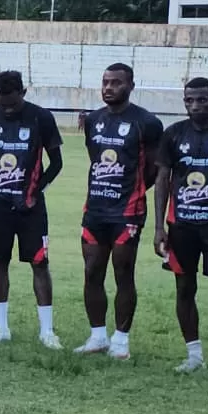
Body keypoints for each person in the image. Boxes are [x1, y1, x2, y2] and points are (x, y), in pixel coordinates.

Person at [77, 63, 163, 360]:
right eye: (105, 82)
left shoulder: (146, 122)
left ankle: (121, 341)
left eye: (116, 82)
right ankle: (97, 336)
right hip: (95, 210)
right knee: (91, 272)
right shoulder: (92, 120)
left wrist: (132, 191)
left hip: (127, 211)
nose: (108, 87)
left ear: (130, 85)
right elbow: (95, 158)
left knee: (123, 273)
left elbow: (152, 169)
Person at [0, 71, 64, 348]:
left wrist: (35, 193)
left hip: (30, 207)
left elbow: (56, 163)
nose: (7, 108)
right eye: (2, 103)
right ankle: (1, 327)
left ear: (23, 92)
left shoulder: (41, 118)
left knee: (39, 263)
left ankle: (47, 331)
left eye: (12, 103)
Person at [154, 77, 208, 373]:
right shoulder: (174, 134)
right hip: (182, 227)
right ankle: (194, 356)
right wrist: (159, 227)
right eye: (190, 100)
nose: (195, 105)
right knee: (184, 288)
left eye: (202, 99)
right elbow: (162, 179)